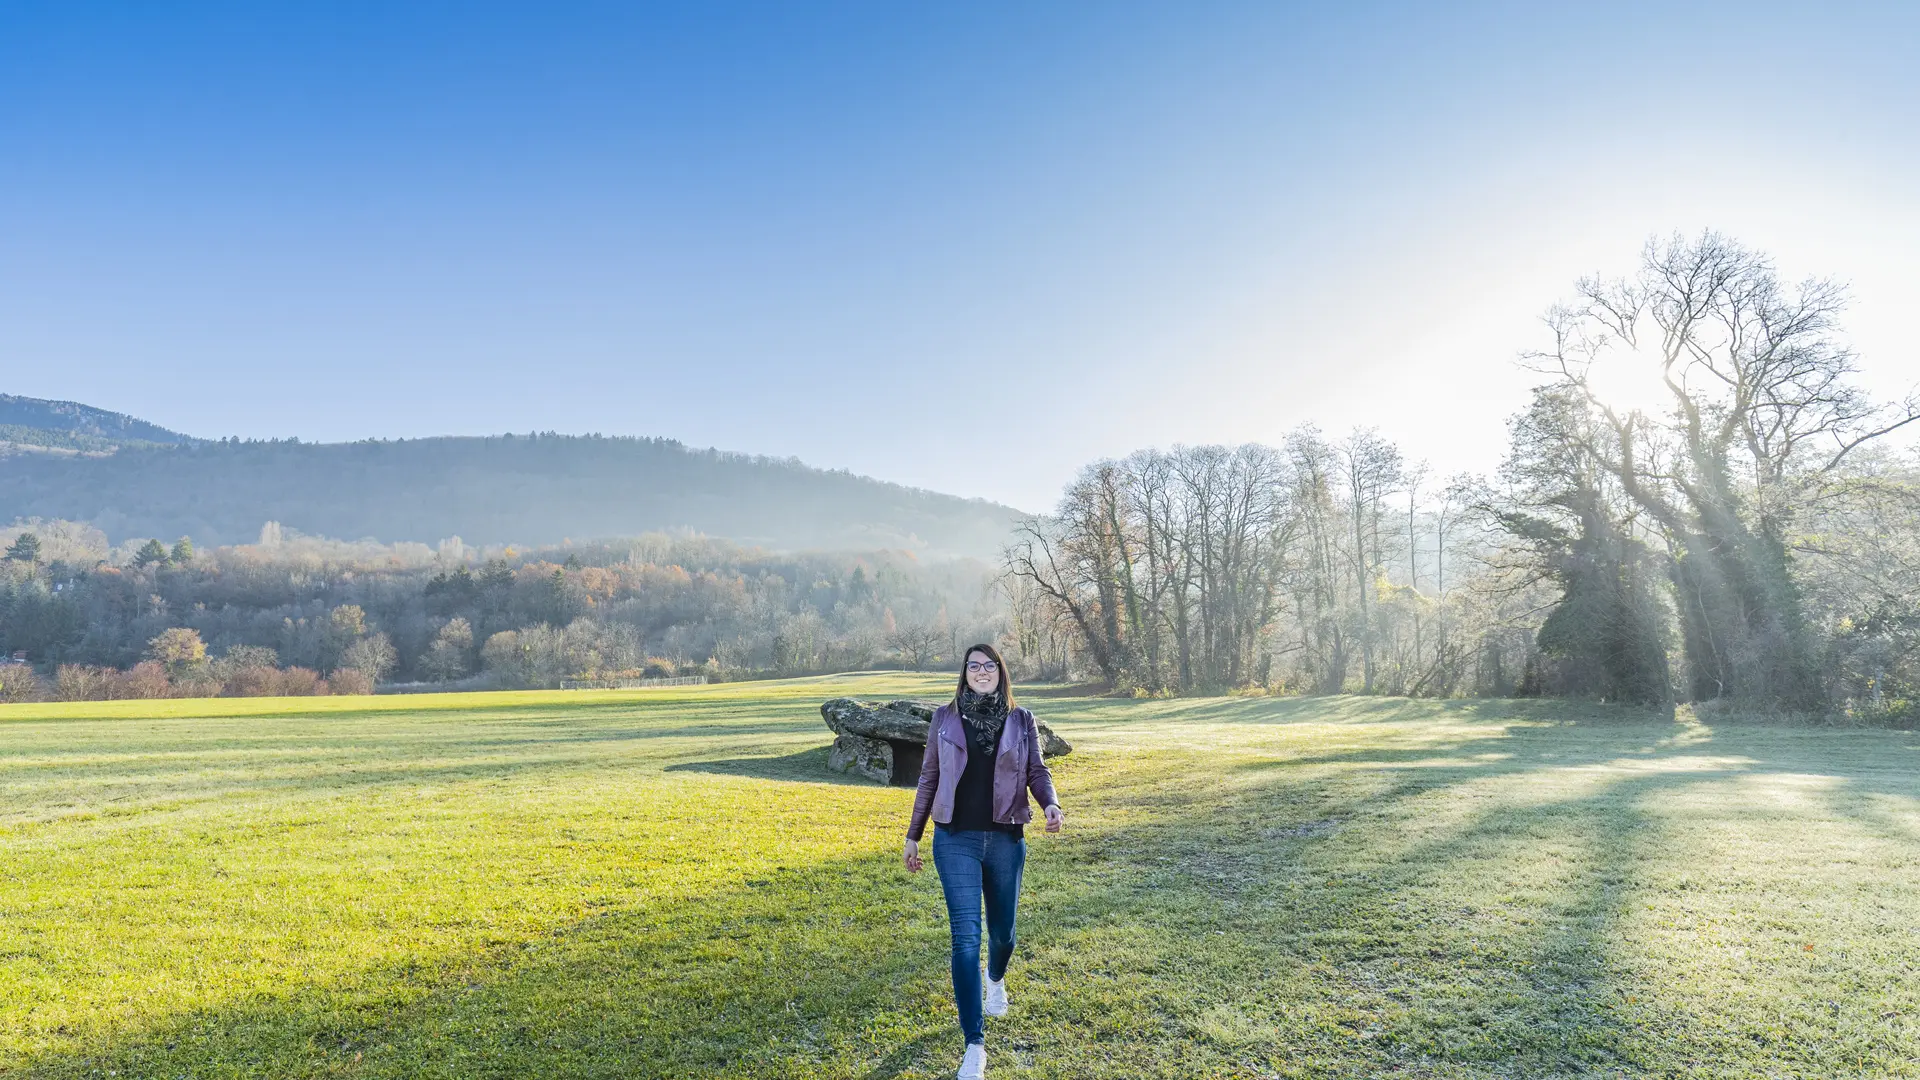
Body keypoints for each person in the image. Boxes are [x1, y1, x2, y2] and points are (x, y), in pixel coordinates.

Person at [904, 643, 1064, 1079]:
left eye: (988, 665)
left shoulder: (1021, 719)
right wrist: (913, 835)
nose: (980, 671)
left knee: (1003, 935)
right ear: (964, 673)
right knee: (965, 938)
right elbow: (929, 777)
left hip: (1006, 838)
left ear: (1000, 672)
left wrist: (1049, 804)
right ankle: (974, 1043)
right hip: (954, 837)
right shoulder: (944, 718)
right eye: (973, 666)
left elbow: (1036, 770)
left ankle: (997, 978)